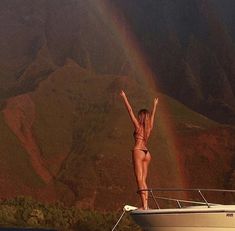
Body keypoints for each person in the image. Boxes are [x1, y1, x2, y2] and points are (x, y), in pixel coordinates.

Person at [120, 90, 158, 210]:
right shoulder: (149, 128)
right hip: (147, 153)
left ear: (141, 117)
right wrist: (155, 105)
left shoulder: (138, 126)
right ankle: (146, 204)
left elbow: (130, 110)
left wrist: (124, 97)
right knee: (144, 180)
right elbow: (152, 116)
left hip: (138, 151)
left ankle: (145, 205)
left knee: (139, 180)